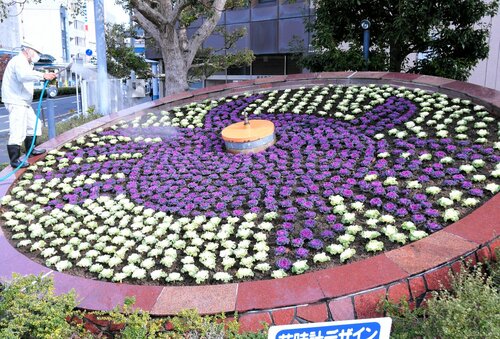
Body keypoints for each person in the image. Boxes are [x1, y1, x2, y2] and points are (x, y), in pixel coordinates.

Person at [1, 41, 57, 168]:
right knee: (18, 130)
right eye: (37, 52)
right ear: (29, 50)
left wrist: (44, 76)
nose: (38, 55)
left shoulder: (27, 63)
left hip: (23, 102)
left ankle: (30, 151)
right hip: (16, 101)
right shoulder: (18, 61)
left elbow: (28, 75)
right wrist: (43, 75)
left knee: (34, 126)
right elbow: (24, 76)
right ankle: (14, 161)